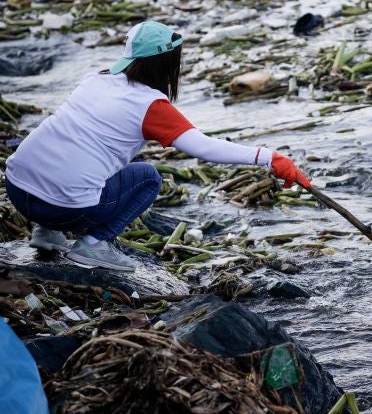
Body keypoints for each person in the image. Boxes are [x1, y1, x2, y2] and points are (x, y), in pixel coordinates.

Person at [4, 21, 311, 272]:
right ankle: (93, 245)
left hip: (18, 188)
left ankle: (46, 233)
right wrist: (269, 158)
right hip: (62, 206)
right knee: (148, 177)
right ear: (167, 63)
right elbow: (203, 147)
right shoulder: (150, 106)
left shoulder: (94, 81)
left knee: (86, 159)